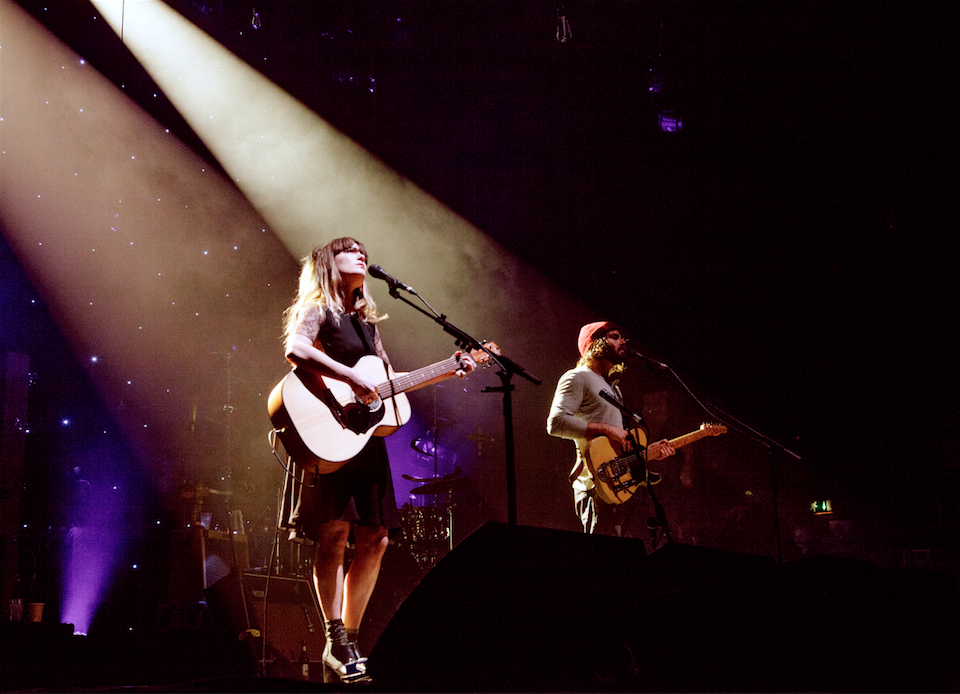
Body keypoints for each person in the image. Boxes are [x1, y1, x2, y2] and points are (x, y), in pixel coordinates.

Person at [279, 237, 474, 681]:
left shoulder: (367, 326)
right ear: (329, 262)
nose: (361, 253)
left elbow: (387, 380)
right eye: (349, 249)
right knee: (333, 535)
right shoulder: (319, 308)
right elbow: (297, 349)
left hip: (363, 441)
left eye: (363, 249)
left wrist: (448, 366)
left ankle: (346, 639)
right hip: (328, 436)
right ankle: (333, 634)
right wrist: (349, 377)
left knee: (377, 539)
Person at [547, 321, 676, 541]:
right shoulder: (577, 377)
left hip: (621, 484)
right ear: (596, 343)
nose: (623, 341)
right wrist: (607, 429)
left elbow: (618, 444)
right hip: (596, 485)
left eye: (622, 337)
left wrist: (648, 451)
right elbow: (556, 423)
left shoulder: (611, 388)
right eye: (615, 337)